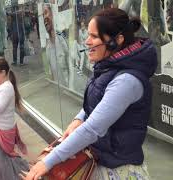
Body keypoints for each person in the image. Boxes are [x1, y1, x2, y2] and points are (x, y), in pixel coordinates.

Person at [22, 8, 157, 180]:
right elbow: (98, 104)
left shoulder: (127, 81)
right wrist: (79, 118)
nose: (86, 41)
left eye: (94, 36)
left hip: (119, 170)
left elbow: (93, 128)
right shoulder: (108, 65)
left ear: (117, 41)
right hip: (103, 159)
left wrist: (47, 162)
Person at [43, 4, 71, 87]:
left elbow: (70, 63)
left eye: (46, 13)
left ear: (52, 14)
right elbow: (51, 73)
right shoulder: (48, 46)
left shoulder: (61, 38)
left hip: (68, 92)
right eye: (43, 15)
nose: (44, 17)